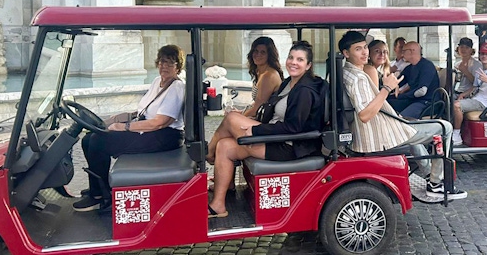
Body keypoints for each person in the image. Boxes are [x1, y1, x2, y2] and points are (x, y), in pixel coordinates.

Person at [339, 31, 466, 202]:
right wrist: (387, 88)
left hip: (377, 129)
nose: (364, 53)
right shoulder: (359, 78)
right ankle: (436, 184)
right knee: (445, 127)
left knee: (410, 125)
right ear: (346, 53)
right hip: (377, 136)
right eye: (358, 49)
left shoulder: (348, 71)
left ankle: (430, 174)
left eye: (364, 48)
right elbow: (365, 115)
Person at [208, 41, 327, 218]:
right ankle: (218, 204)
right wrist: (253, 121)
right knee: (225, 145)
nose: (293, 62)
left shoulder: (304, 91)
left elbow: (293, 128)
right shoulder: (289, 82)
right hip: (276, 137)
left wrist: (256, 131)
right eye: (291, 57)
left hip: (288, 146)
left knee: (231, 119)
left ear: (308, 65)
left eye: (300, 60)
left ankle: (208, 155)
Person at [73, 45, 186, 212]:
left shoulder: (177, 87)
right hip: (149, 130)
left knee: (98, 141)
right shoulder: (157, 82)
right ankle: (98, 187)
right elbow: (144, 111)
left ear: (178, 66)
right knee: (88, 138)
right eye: (162, 62)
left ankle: (100, 197)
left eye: (170, 63)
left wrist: (124, 127)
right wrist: (118, 119)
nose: (164, 66)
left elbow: (160, 122)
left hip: (164, 136)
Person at [205, 37, 284, 164]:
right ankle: (226, 180)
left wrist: (240, 116)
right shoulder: (260, 73)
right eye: (255, 51)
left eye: (263, 52)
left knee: (230, 120)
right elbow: (257, 105)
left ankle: (209, 151)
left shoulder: (269, 75)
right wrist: (241, 113)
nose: (258, 55)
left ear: (270, 55)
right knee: (224, 141)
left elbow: (258, 107)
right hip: (261, 118)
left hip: (267, 124)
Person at [452, 42, 487, 145]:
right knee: (449, 100)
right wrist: (463, 94)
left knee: (456, 106)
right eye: (482, 54)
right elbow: (475, 87)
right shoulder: (480, 69)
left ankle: (456, 134)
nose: (484, 56)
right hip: (477, 98)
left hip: (486, 103)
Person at [387, 41, 440, 119]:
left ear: (411, 51)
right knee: (387, 104)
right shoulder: (410, 67)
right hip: (414, 100)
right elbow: (398, 81)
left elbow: (422, 91)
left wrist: (402, 96)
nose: (402, 53)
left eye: (404, 51)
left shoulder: (427, 66)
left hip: (427, 102)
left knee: (401, 118)